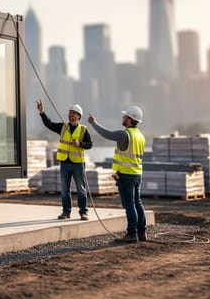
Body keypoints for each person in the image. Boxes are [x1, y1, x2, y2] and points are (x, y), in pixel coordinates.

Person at [87, 105, 147, 243]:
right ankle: (142, 232)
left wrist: (93, 123)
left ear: (130, 119)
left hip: (126, 175)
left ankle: (132, 234)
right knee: (138, 202)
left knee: (130, 204)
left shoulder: (125, 134)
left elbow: (106, 134)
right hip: (137, 174)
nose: (123, 118)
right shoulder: (140, 136)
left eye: (125, 116)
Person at [36, 100, 93, 220]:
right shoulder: (63, 127)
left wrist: (80, 144)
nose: (71, 115)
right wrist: (42, 112)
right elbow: (49, 124)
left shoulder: (83, 130)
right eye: (70, 113)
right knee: (65, 190)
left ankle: (83, 212)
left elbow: (90, 144)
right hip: (65, 163)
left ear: (78, 116)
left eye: (73, 113)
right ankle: (66, 212)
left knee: (81, 189)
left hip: (78, 164)